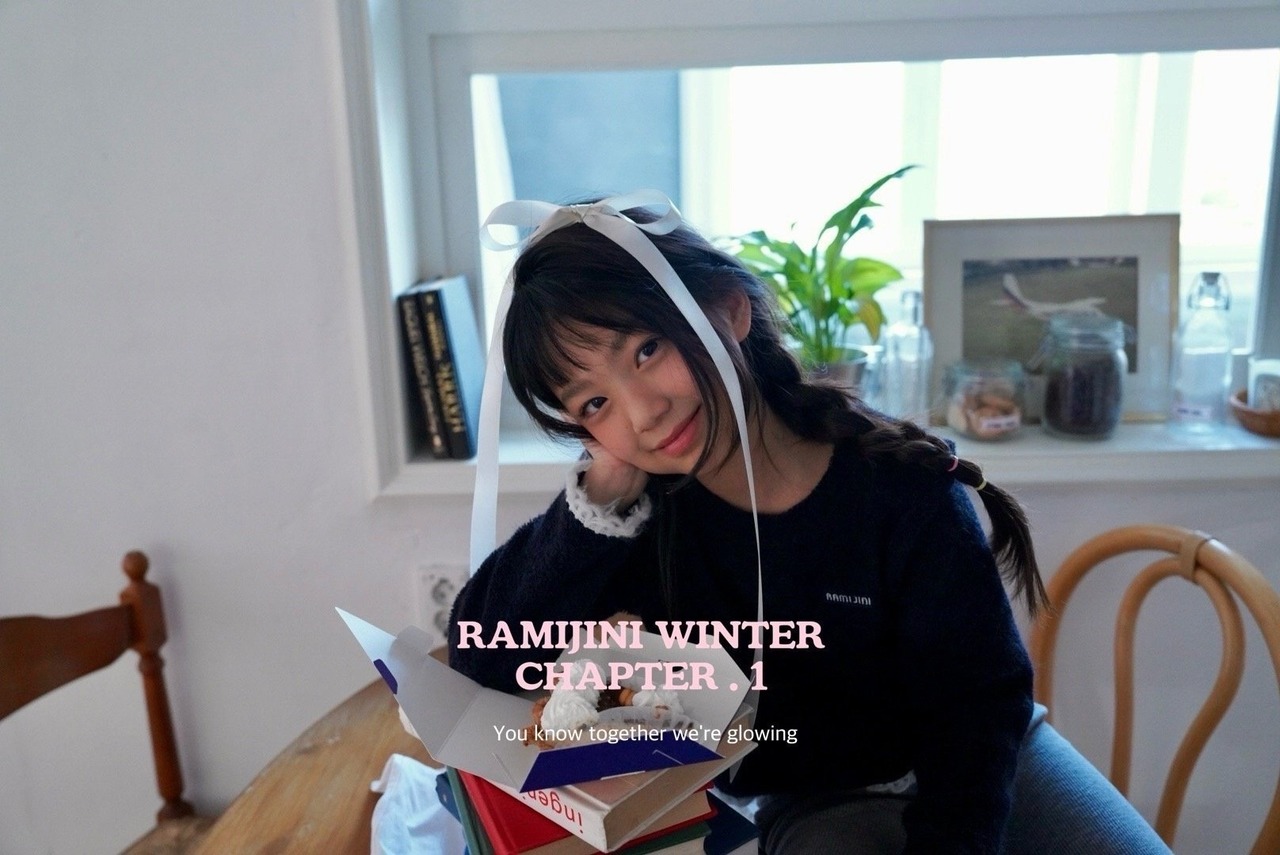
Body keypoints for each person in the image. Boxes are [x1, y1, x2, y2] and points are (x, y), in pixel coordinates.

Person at [447, 195, 1170, 854]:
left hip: (992, 757)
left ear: (728, 311)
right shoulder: (640, 523)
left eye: (646, 350)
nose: (642, 412)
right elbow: (482, 658)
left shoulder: (900, 490)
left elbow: (976, 708)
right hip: (817, 798)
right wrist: (598, 499)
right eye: (594, 404)